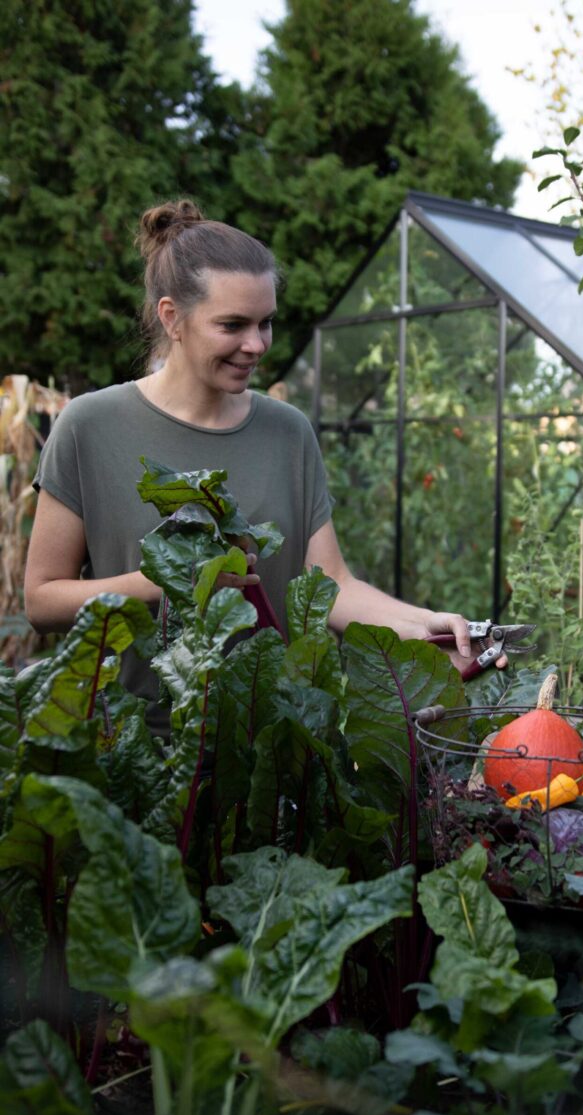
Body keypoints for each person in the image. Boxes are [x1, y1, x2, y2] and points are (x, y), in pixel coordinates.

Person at [24, 199, 497, 739]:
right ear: (171, 317)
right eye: (232, 325)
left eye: (265, 323)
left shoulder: (288, 432)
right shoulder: (90, 426)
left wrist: (421, 626)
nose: (256, 345)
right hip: (127, 746)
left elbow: (331, 584)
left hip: (265, 753)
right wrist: (175, 580)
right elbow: (43, 601)